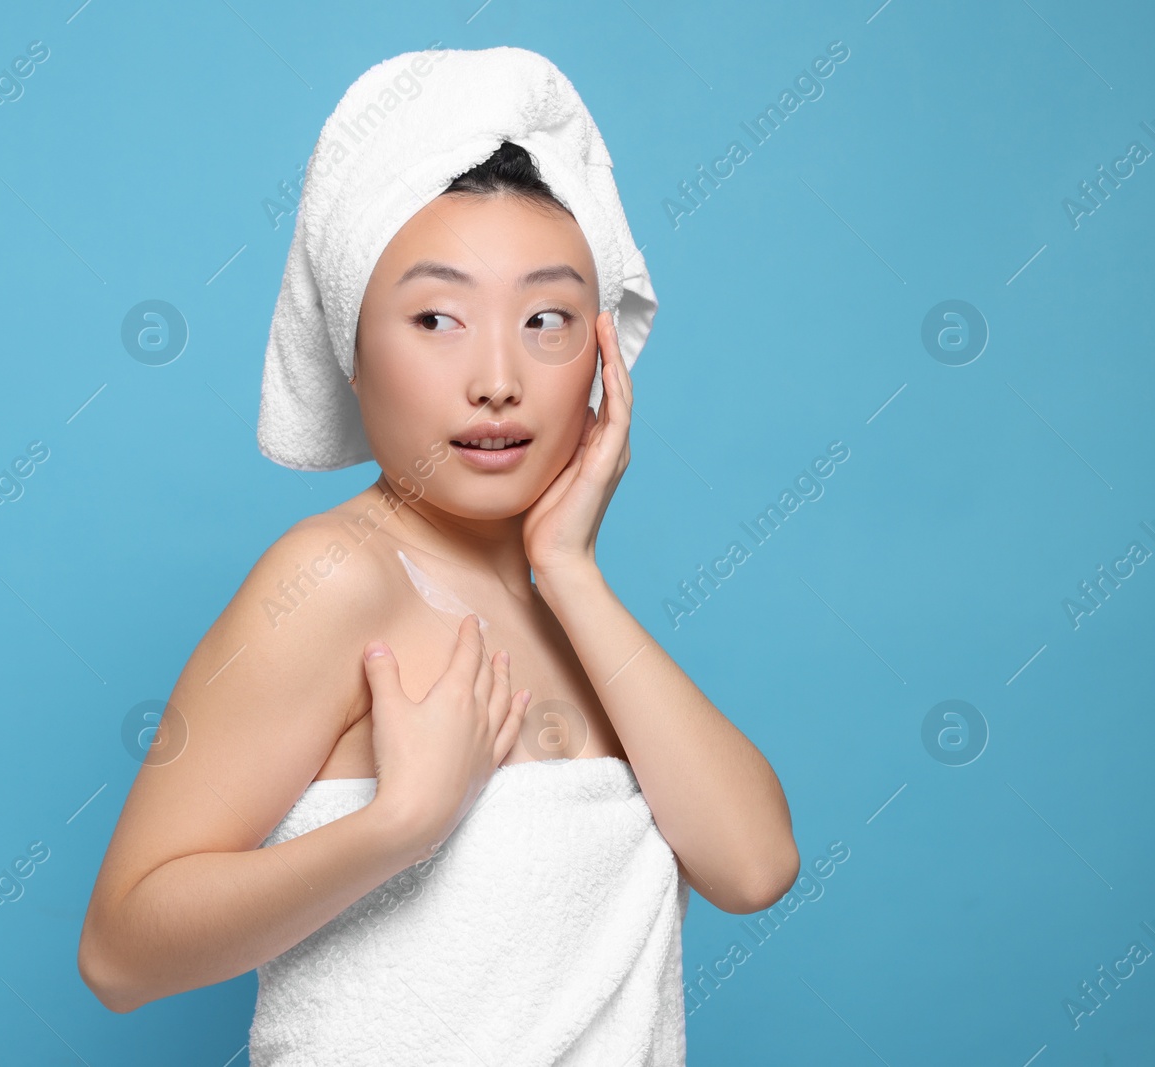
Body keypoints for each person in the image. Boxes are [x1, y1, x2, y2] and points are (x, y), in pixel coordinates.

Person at [78, 48, 799, 1065]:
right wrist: (401, 822)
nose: (497, 377)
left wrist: (575, 571)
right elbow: (119, 952)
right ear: (352, 346)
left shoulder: (573, 611)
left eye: (545, 318)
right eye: (435, 319)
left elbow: (754, 864)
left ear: (599, 350)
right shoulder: (334, 579)